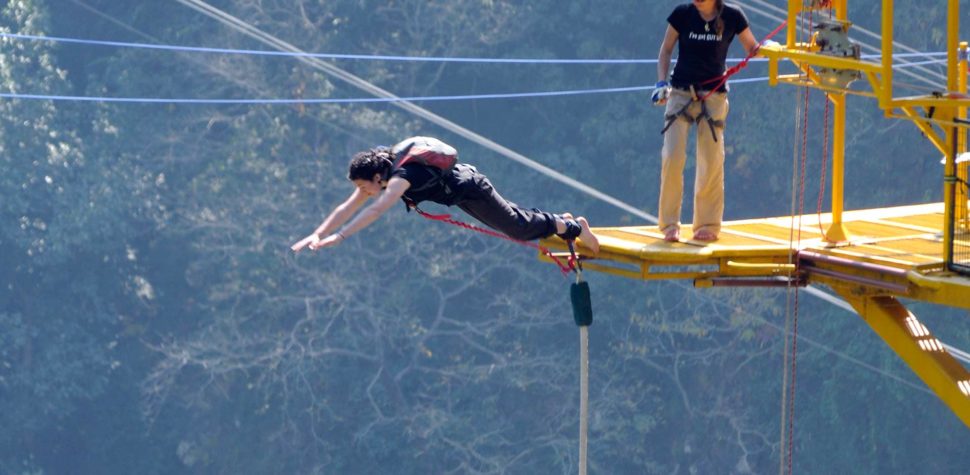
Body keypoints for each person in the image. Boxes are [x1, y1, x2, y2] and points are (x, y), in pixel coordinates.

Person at [291, 136, 599, 255]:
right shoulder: (383, 174)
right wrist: (317, 234)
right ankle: (561, 221)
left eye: (363, 187)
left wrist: (341, 237)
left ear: (375, 177)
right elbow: (348, 207)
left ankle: (574, 227)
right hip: (460, 194)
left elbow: (376, 210)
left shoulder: (399, 178)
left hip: (469, 187)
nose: (362, 194)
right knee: (512, 221)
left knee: (515, 228)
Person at [652, 0, 758, 242]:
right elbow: (666, 49)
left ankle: (707, 224)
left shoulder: (733, 16)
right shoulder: (683, 14)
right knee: (672, 156)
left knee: (710, 160)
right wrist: (660, 83)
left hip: (714, 95)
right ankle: (669, 225)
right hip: (680, 92)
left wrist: (769, 48)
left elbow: (751, 47)